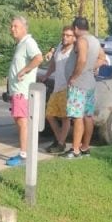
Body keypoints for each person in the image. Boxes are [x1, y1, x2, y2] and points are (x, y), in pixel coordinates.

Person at [5, 16, 43, 168]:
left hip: (23, 91)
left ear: (24, 28)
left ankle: (23, 155)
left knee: (22, 122)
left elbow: (39, 58)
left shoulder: (28, 42)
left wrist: (25, 70)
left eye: (15, 26)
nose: (12, 29)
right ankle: (24, 152)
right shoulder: (21, 44)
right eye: (12, 26)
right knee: (19, 121)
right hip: (17, 91)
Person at [62, 15, 102, 160]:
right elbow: (102, 58)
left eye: (73, 29)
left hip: (79, 85)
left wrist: (74, 76)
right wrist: (91, 68)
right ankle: (85, 148)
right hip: (90, 84)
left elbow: (82, 59)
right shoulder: (95, 41)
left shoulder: (82, 40)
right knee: (88, 116)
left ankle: (76, 150)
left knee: (77, 117)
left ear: (77, 28)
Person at [41, 24, 76, 153]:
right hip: (57, 87)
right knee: (49, 115)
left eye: (68, 35)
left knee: (65, 117)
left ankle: (60, 143)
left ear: (74, 38)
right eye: (63, 34)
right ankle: (59, 139)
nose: (65, 37)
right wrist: (46, 75)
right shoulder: (60, 47)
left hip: (67, 88)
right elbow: (53, 64)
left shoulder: (74, 51)